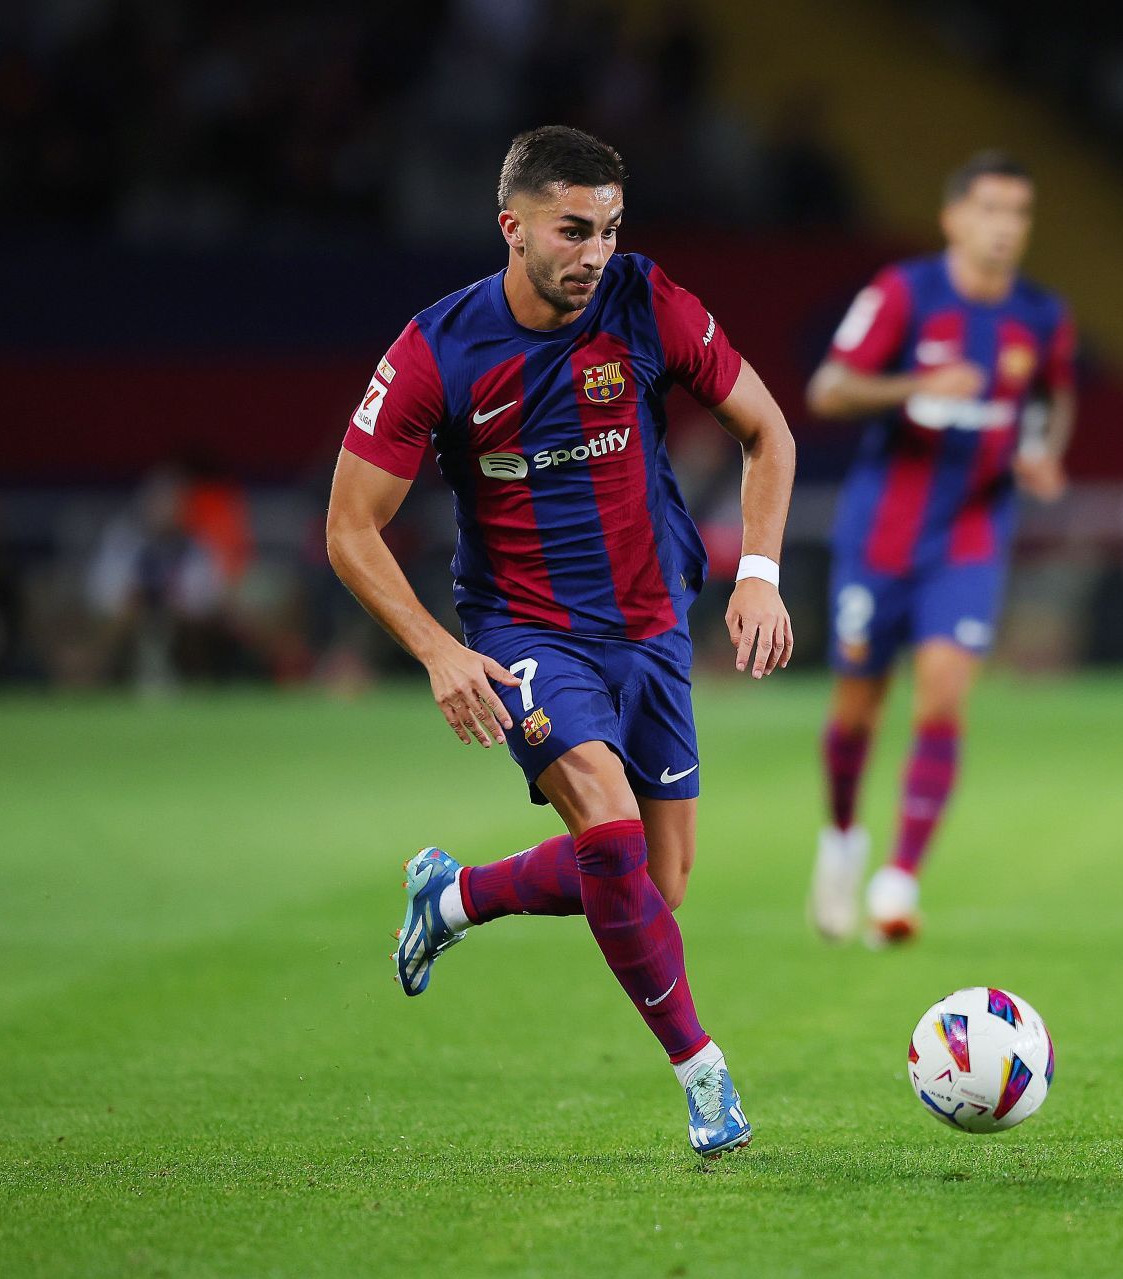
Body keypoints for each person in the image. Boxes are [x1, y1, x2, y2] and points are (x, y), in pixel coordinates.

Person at [325, 126, 795, 1157]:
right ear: (515, 227)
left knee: (652, 885)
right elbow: (348, 527)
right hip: (528, 629)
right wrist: (441, 651)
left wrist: (757, 574)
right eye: (574, 229)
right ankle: (704, 1079)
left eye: (611, 228)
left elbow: (771, 431)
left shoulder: (643, 300)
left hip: (652, 623)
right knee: (614, 839)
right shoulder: (437, 350)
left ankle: (451, 896)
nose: (595, 251)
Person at [804, 151, 1076, 945]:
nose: (1004, 227)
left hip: (972, 533)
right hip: (881, 534)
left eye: (1019, 213)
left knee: (946, 691)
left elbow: (1057, 400)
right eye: (990, 209)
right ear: (954, 217)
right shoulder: (904, 292)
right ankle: (844, 838)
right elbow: (828, 387)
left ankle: (900, 877)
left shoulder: (1041, 315)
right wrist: (909, 389)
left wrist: (1044, 449)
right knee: (856, 709)